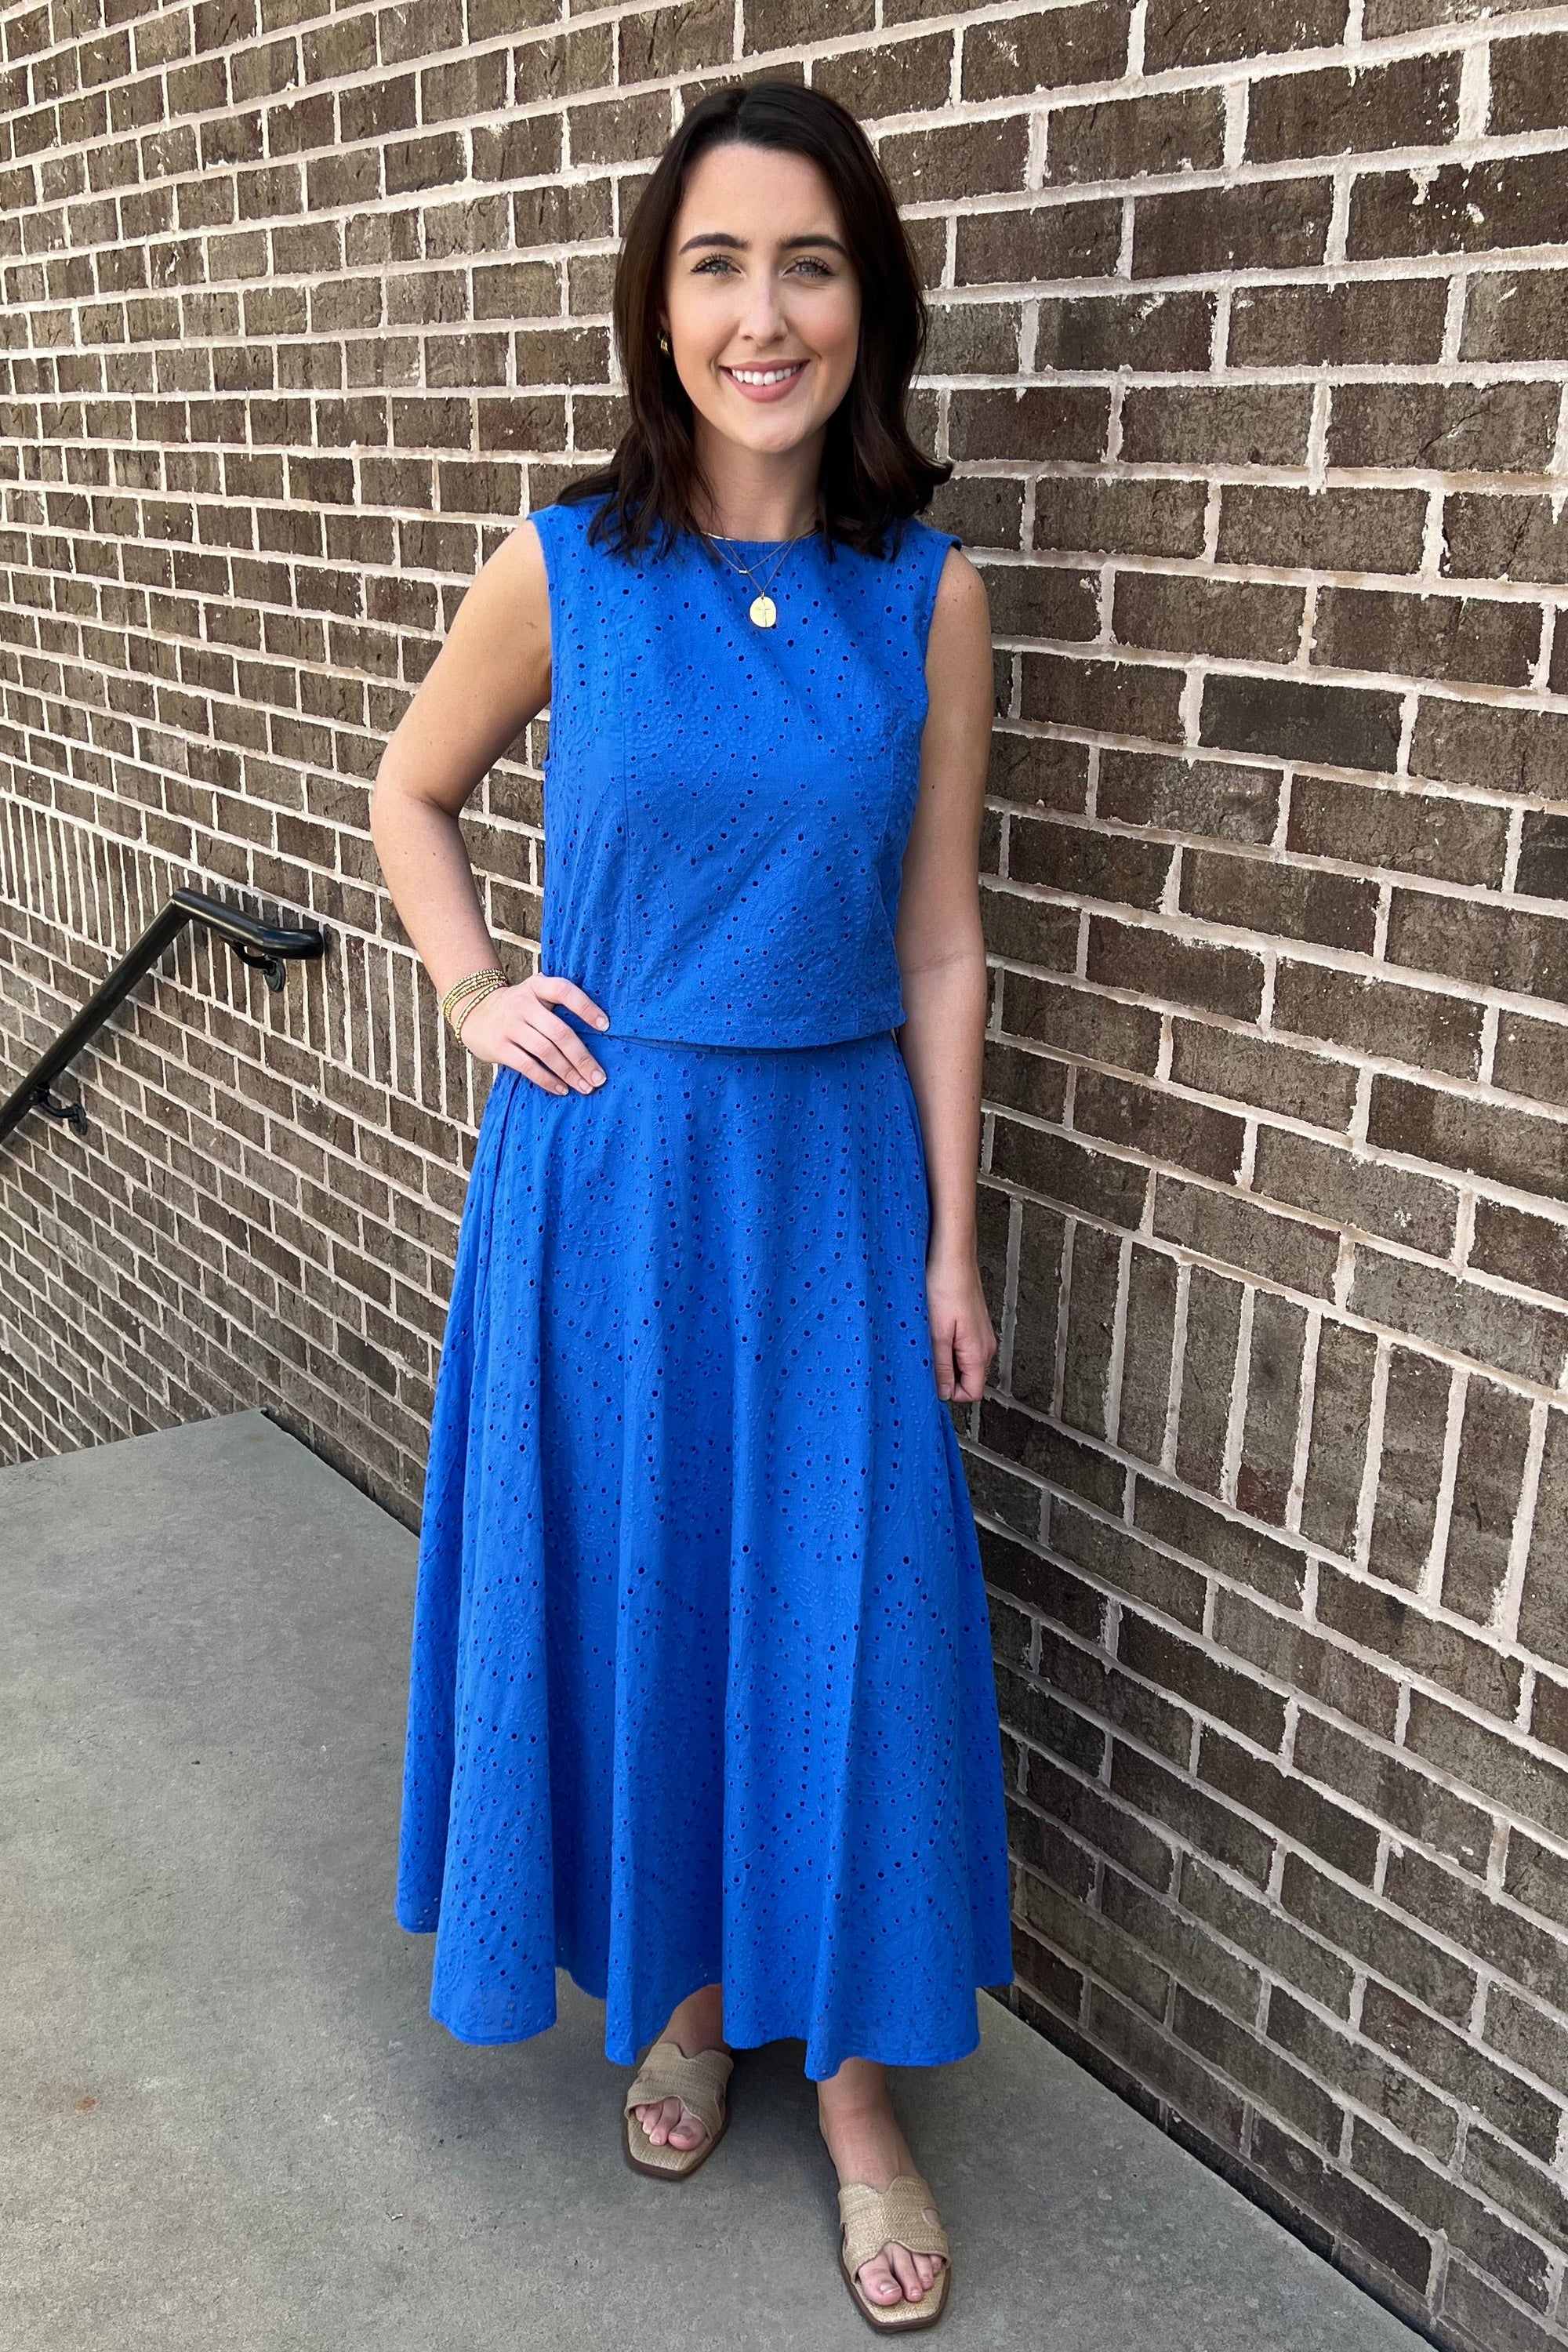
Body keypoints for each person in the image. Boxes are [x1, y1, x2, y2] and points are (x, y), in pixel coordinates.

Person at [369, 78, 1012, 2332]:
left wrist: (951, 1236)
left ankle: (851, 2084)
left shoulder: (928, 598)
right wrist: (477, 991)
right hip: (611, 1180)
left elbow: (942, 939)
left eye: (809, 264)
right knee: (655, 1593)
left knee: (839, 1614)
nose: (764, 314)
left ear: (868, 306)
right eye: (719, 264)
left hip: (830, 1185)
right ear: (659, 305)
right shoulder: (566, 566)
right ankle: (680, 1990)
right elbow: (413, 791)